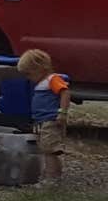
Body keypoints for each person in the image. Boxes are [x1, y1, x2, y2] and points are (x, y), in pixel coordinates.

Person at [17, 46, 71, 185]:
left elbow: (65, 92)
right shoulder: (41, 83)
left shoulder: (52, 79)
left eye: (29, 74)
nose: (29, 78)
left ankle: (51, 177)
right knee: (47, 149)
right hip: (42, 121)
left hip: (51, 120)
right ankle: (54, 176)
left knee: (49, 150)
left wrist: (62, 112)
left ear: (40, 68)